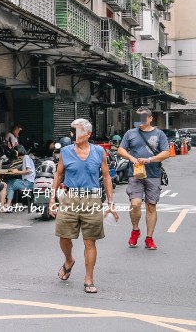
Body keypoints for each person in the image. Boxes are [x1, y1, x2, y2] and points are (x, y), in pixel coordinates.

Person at [50, 118, 117, 294]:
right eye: (72, 131)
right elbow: (58, 175)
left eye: (78, 131)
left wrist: (111, 203)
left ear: (88, 134)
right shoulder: (65, 152)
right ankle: (69, 260)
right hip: (69, 198)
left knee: (90, 241)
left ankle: (89, 278)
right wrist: (52, 200)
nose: (73, 135)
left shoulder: (99, 151)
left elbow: (107, 177)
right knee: (64, 236)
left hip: (92, 199)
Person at [117, 106, 170, 251]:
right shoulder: (130, 133)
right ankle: (135, 230)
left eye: (142, 118)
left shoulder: (159, 134)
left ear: (150, 118)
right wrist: (131, 158)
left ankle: (149, 238)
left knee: (151, 206)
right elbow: (121, 149)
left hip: (153, 174)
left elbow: (167, 153)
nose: (139, 121)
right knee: (135, 204)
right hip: (135, 173)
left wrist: (151, 159)